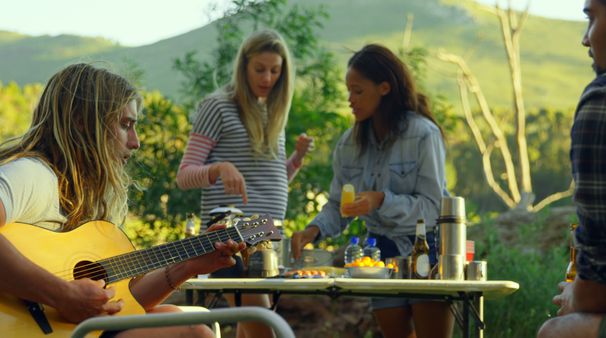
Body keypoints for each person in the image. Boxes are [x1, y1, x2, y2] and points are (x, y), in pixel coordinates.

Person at [0, 63, 245, 338]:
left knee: (170, 316)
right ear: (82, 123)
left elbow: (126, 304)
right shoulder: (33, 175)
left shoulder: (93, 202)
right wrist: (62, 295)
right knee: (191, 332)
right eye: (125, 125)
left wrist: (189, 266)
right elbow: (71, 299)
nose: (136, 142)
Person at [290, 44, 453, 338]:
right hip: (378, 255)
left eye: (357, 91)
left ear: (385, 88)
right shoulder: (348, 145)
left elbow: (432, 207)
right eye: (348, 91)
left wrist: (380, 200)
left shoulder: (423, 134)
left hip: (427, 251)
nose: (350, 100)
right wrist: (312, 231)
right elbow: (339, 205)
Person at [176, 29, 312, 338]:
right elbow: (184, 175)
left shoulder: (270, 111)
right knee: (265, 327)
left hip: (268, 230)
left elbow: (268, 181)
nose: (267, 78)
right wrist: (220, 168)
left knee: (249, 328)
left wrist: (296, 160)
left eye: (275, 71)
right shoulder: (218, 106)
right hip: (233, 229)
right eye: (259, 69)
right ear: (243, 67)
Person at [537, 1, 606, 337]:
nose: (585, 39)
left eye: (591, 18)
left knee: (556, 331)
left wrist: (575, 294)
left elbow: (603, 289)